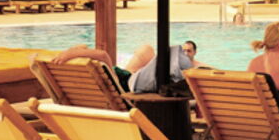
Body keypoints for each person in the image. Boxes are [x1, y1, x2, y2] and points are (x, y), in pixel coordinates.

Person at [50, 43, 184, 92]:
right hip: (130, 84)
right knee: (172, 53)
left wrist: (74, 52)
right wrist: (74, 53)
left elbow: (84, 47)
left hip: (127, 75)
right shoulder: (102, 76)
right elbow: (103, 56)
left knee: (146, 49)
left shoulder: (79, 81)